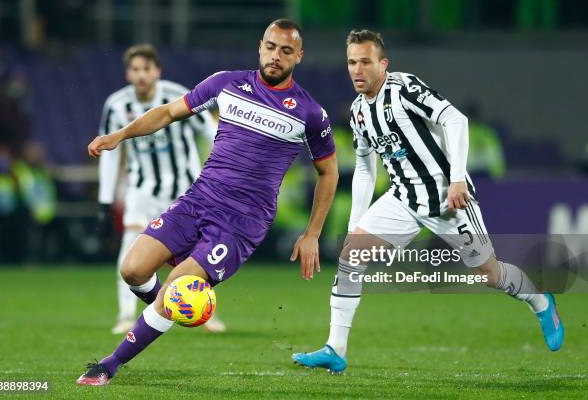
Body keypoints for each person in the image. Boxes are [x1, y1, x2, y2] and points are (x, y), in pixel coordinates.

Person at [77, 19, 338, 386]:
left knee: (176, 290)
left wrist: (312, 233)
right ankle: (170, 308)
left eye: (285, 51)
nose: (275, 56)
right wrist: (119, 136)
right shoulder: (227, 83)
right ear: (259, 46)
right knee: (132, 270)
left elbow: (329, 173)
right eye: (270, 46)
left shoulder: (310, 113)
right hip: (198, 200)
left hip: (241, 223)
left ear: (299, 56)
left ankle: (109, 364)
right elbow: (167, 113)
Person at [292, 29, 564, 373]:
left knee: (489, 273)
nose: (357, 69)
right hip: (404, 199)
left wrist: (456, 179)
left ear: (383, 64)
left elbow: (455, 119)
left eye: (365, 61)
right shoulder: (360, 111)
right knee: (351, 256)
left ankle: (541, 302)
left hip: (448, 199)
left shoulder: (403, 88)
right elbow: (364, 167)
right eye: (351, 62)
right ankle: (336, 348)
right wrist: (353, 227)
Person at [97, 44, 226, 334]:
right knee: (130, 253)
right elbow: (111, 153)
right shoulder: (117, 105)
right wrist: (105, 201)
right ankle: (126, 314)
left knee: (197, 256)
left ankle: (204, 312)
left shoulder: (176, 96)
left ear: (157, 71)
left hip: (185, 190)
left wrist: (221, 171)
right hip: (142, 191)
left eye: (146, 69)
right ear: (127, 73)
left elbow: (210, 130)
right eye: (135, 69)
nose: (141, 75)